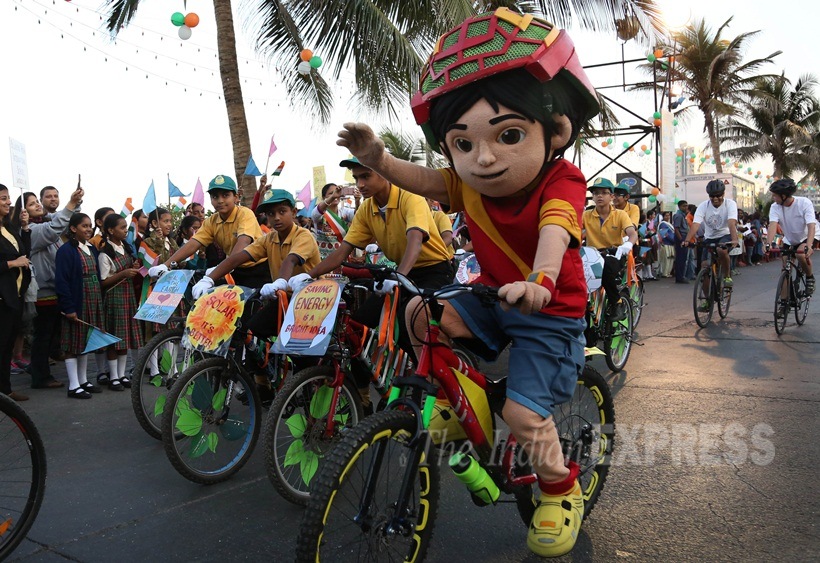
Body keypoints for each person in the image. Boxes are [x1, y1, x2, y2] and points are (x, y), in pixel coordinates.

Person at [335, 8, 598, 557]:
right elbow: (425, 179)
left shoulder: (560, 177)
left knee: (524, 415)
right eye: (462, 143)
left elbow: (556, 227)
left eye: (507, 134)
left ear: (555, 132)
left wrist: (541, 279)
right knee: (422, 314)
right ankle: (457, 412)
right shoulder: (464, 183)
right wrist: (376, 156)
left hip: (549, 309)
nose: (483, 157)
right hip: (491, 297)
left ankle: (560, 488)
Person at [193, 189, 320, 394]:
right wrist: (210, 278)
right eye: (271, 214)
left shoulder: (303, 235)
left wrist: (280, 281)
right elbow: (238, 257)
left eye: (282, 211)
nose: (276, 217)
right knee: (251, 331)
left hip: (310, 303)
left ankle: (311, 390)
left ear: (294, 212)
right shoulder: (269, 239)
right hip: (284, 299)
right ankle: (262, 384)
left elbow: (291, 260)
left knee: (300, 357)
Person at [155, 175, 270, 288]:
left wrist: (213, 275)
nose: (220, 201)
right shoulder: (211, 221)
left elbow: (242, 245)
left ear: (236, 197)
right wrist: (165, 265)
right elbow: (193, 244)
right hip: (233, 270)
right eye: (215, 197)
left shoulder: (245, 214)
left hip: (259, 269)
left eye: (225, 195)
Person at [23, 188, 83, 389]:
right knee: (43, 335)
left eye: (36, 203)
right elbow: (55, 228)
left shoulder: (45, 222)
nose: (38, 206)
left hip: (52, 289)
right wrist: (71, 204)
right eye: (32, 204)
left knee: (50, 335)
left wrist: (76, 203)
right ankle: (40, 377)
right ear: (23, 212)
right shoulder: (32, 230)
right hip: (43, 291)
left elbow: (65, 220)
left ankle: (37, 368)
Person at [55, 213, 105, 399]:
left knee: (85, 342)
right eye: (84, 226)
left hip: (92, 299)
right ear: (73, 229)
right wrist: (68, 307)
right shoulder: (66, 251)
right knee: (72, 344)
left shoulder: (90, 248)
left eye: (90, 226)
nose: (88, 229)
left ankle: (83, 380)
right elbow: (62, 281)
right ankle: (73, 385)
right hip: (78, 300)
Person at [98, 214, 143, 390]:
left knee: (125, 338)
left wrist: (135, 268)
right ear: (110, 230)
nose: (126, 230)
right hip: (114, 297)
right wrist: (123, 274)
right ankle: (113, 376)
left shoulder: (125, 248)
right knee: (114, 338)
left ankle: (122, 374)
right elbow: (103, 281)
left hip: (127, 295)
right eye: (122, 227)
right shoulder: (105, 254)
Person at [583, 178, 638, 320]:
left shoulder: (620, 215)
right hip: (592, 255)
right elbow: (574, 230)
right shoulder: (586, 215)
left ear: (611, 196)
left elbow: (632, 233)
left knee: (606, 268)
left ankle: (617, 303)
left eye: (604, 192)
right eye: (596, 193)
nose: (599, 196)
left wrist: (628, 244)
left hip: (615, 254)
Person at [683, 180, 739, 310]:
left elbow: (731, 223)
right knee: (704, 266)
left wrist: (735, 239)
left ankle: (727, 276)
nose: (715, 199)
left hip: (725, 235)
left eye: (718, 195)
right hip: (709, 237)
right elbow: (696, 224)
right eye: (712, 196)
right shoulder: (703, 206)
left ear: (723, 194)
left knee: (721, 250)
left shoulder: (730, 204)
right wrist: (687, 240)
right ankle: (707, 300)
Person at [0, 184, 33, 401]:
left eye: (9, 198)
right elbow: (15, 260)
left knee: (7, 345)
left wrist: (25, 229)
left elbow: (25, 255)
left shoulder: (8, 228)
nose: (9, 202)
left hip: (15, 296)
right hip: (2, 297)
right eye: (3, 198)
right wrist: (12, 263)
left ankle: (5, 390)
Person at [766, 178, 816, 300]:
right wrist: (768, 243)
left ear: (783, 196)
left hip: (806, 237)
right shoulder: (775, 207)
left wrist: (809, 245)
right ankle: (784, 301)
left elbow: (811, 225)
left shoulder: (804, 203)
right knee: (785, 268)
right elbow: (773, 225)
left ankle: (810, 277)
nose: (773, 198)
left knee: (800, 255)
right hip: (789, 239)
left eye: (775, 196)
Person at [312, 182, 356, 260]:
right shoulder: (320, 213)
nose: (336, 195)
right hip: (324, 259)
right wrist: (333, 197)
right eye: (331, 193)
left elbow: (358, 216)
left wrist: (358, 201)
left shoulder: (344, 211)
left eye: (338, 192)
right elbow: (315, 215)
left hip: (343, 258)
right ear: (323, 197)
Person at [673, 199, 690, 283]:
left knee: (683, 258)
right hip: (681, 237)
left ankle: (681, 276)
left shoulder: (683, 215)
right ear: (679, 207)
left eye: (686, 205)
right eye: (684, 206)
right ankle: (679, 277)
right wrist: (681, 240)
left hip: (684, 237)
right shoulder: (678, 216)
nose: (686, 207)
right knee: (680, 258)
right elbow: (676, 229)